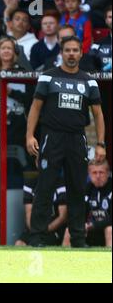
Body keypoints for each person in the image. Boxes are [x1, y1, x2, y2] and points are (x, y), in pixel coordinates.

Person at [26, 36, 106, 247]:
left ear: (81, 53)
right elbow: (35, 107)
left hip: (77, 139)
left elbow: (98, 114)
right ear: (61, 53)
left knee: (78, 189)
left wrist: (101, 143)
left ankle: (78, 240)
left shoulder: (88, 80)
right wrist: (30, 135)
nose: (71, 54)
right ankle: (36, 237)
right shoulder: (47, 77)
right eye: (67, 50)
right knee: (45, 187)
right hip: (51, 137)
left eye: (75, 50)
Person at [63, 159, 112, 247]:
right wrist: (82, 225)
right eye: (94, 173)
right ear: (89, 174)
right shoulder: (86, 189)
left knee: (110, 230)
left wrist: (93, 225)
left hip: (107, 228)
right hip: (90, 229)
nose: (98, 176)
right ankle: (63, 259)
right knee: (70, 230)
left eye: (101, 172)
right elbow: (78, 213)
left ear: (108, 173)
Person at [15, 176, 68, 246]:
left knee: (44, 243)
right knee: (19, 244)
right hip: (34, 228)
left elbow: (62, 217)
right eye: (39, 164)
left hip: (53, 228)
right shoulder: (30, 183)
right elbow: (28, 214)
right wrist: (35, 231)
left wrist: (44, 230)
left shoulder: (61, 183)